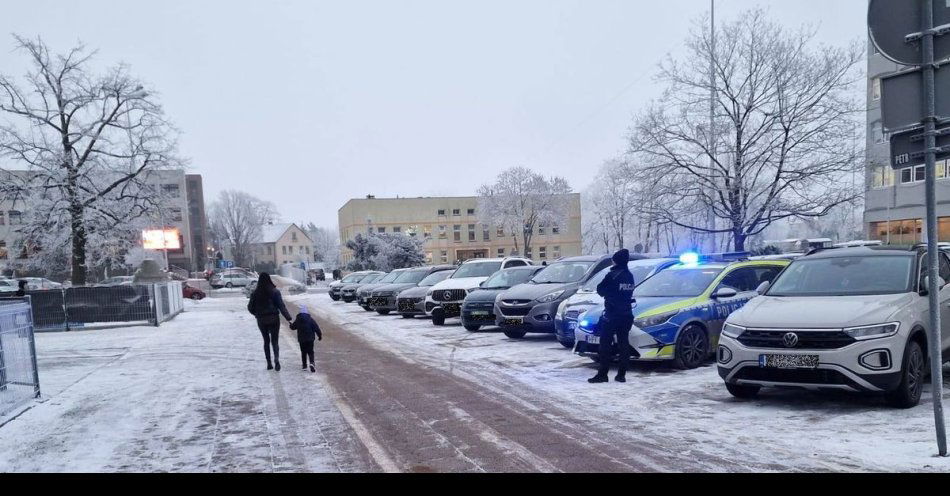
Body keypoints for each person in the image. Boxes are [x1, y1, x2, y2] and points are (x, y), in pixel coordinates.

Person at [589, 249, 636, 384]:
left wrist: (608, 294)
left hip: (612, 314)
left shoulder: (613, 275)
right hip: (627, 313)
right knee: (623, 344)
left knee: (605, 344)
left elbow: (600, 289)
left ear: (616, 260)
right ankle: (621, 375)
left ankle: (603, 374)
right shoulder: (629, 275)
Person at [247, 273, 292, 371]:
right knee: (275, 341)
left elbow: (250, 307)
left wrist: (257, 314)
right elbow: (281, 306)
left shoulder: (255, 293)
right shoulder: (275, 292)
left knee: (266, 341)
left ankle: (269, 363)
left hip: (261, 320)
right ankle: (276, 359)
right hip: (274, 319)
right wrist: (288, 318)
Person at [289, 305, 323, 372]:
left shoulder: (298, 320)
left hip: (302, 339)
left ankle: (304, 365)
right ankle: (312, 363)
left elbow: (293, 327)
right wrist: (319, 335)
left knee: (303, 352)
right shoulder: (310, 319)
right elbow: (316, 328)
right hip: (310, 339)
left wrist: (290, 324)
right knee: (310, 351)